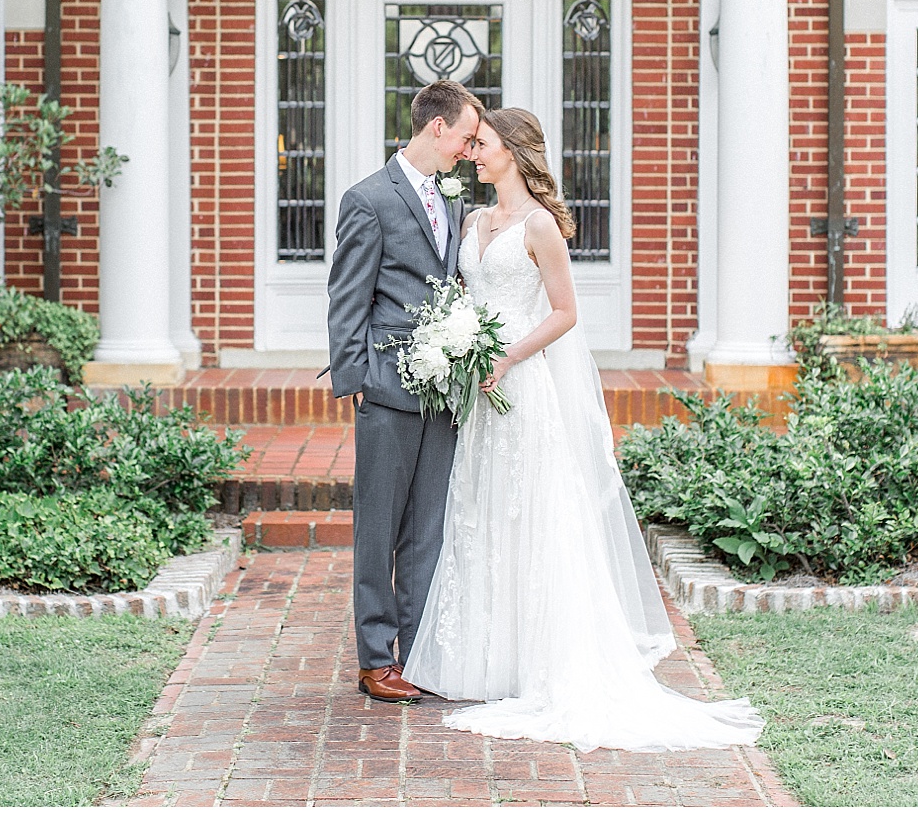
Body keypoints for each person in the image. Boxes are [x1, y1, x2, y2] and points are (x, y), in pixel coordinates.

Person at [401, 107, 764, 752]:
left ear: (514, 151)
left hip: (521, 386)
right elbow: (461, 298)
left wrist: (506, 355)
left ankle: (543, 660)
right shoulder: (474, 220)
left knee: (533, 514)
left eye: (482, 144)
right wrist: (456, 346)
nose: (473, 154)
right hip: (478, 393)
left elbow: (565, 312)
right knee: (483, 514)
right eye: (471, 144)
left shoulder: (540, 226)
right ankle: (490, 661)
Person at [326, 79, 483, 703]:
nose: (468, 151)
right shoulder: (368, 199)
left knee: (427, 527)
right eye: (466, 137)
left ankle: (417, 654)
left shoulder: (453, 197)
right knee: (379, 526)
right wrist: (356, 379)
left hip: (444, 386)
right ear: (437, 127)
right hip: (387, 385)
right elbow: (347, 295)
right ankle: (375, 658)